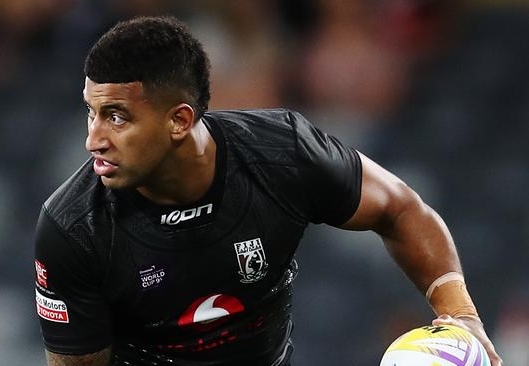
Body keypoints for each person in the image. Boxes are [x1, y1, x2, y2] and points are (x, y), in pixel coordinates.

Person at [33, 16, 502, 366]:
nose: (93, 138)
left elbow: (400, 210)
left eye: (116, 116)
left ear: (179, 120)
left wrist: (461, 314)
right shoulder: (73, 228)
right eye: (91, 113)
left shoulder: (282, 153)